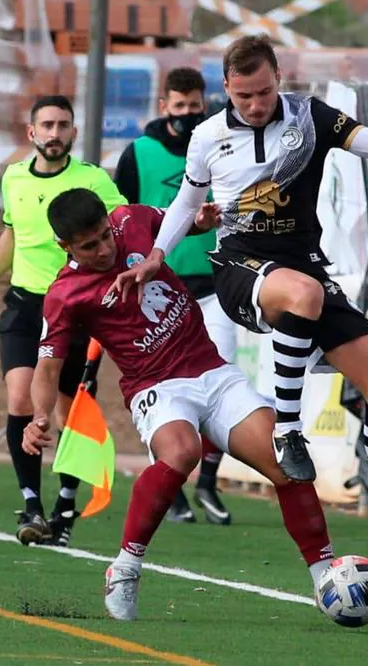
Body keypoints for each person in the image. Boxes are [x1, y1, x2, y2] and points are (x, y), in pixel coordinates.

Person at [109, 34, 368, 557]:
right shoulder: (209, 135)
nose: (256, 106)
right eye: (243, 97)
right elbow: (188, 204)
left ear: (279, 78)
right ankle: (287, 431)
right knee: (302, 295)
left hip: (304, 263)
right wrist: (156, 256)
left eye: (263, 92)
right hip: (240, 263)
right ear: (228, 91)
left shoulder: (311, 118)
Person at [22, 189, 339, 621]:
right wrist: (39, 415)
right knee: (182, 452)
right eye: (88, 246)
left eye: (102, 237)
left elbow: (180, 222)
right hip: (157, 388)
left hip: (213, 372)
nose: (102, 250)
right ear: (66, 247)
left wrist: (202, 221)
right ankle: (126, 567)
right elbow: (47, 367)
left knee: (285, 462)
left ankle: (327, 579)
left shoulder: (131, 220)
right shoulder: (65, 293)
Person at [0, 94, 128, 548]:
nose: (55, 133)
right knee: (19, 398)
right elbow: (13, 234)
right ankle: (32, 503)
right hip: (25, 304)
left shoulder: (92, 179)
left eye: (63, 125)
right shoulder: (14, 177)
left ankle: (65, 508)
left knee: (67, 413)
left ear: (73, 132)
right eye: (47, 125)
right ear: (31, 132)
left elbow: (122, 228)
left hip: (76, 310)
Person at [114, 66, 234, 526]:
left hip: (213, 284)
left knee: (221, 379)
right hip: (159, 291)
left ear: (205, 103)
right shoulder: (138, 154)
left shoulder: (218, 144)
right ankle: (172, 482)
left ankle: (208, 481)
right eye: (179, 106)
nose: (187, 114)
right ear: (163, 106)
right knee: (166, 389)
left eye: (194, 106)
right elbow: (123, 217)